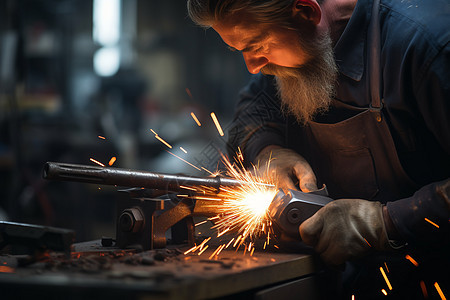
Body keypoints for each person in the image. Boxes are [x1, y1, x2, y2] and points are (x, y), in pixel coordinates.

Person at [187, 0, 450, 298]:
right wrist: (268, 150)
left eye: (257, 45)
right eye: (241, 51)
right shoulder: (295, 46)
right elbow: (253, 108)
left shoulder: (428, 46)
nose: (252, 65)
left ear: (306, 12)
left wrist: (384, 222)